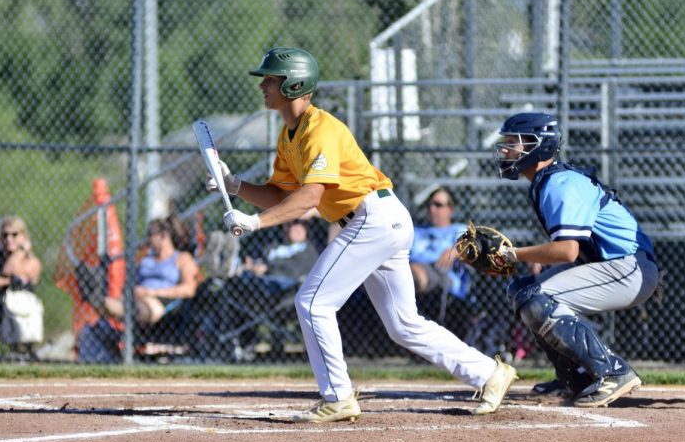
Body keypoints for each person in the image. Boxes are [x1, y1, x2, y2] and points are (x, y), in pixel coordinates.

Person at [208, 46, 516, 422]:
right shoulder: (289, 136)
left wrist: (255, 222)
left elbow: (311, 196)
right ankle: (489, 372)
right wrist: (235, 184)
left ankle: (337, 396)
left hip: (372, 218)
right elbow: (281, 193)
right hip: (379, 219)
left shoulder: (321, 129)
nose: (264, 86)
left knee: (312, 303)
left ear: (295, 84)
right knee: (403, 324)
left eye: (271, 80)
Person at [493, 112, 659, 407]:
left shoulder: (559, 182)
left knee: (537, 299)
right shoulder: (550, 180)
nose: (506, 150)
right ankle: (577, 377)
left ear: (538, 145)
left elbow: (567, 250)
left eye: (513, 143)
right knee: (521, 290)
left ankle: (612, 370)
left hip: (627, 266)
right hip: (614, 266)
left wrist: (514, 253)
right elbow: (571, 250)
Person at [100, 217, 201, 327]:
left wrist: (152, 292)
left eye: (151, 234)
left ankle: (115, 307)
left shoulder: (182, 258)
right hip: (136, 298)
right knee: (106, 305)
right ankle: (101, 300)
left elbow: (189, 289)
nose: (147, 239)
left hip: (159, 303)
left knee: (137, 308)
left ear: (164, 235)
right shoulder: (146, 259)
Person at [409, 187, 470, 300]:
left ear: (450, 209)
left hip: (442, 274)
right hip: (412, 269)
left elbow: (474, 245)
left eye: (438, 205)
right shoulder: (416, 230)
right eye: (429, 205)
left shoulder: (458, 230)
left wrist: (456, 250)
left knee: (411, 273)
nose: (432, 209)